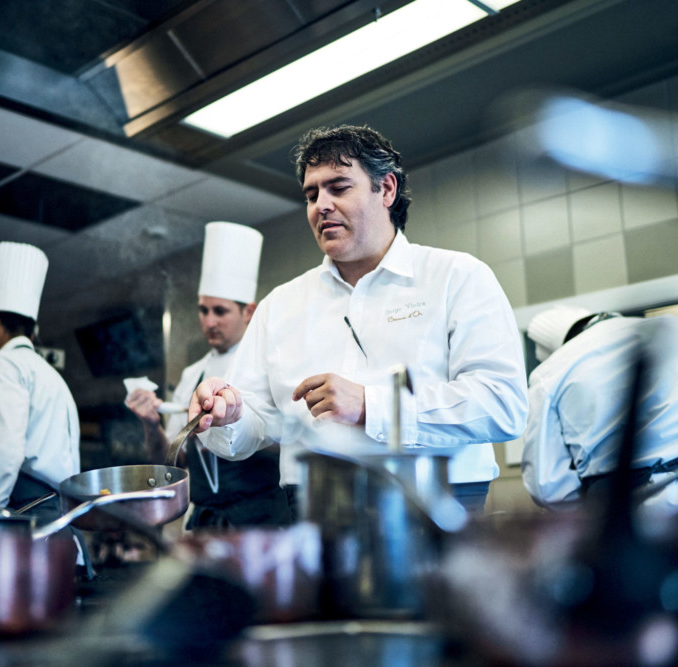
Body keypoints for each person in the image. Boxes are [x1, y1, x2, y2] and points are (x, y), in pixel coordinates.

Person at [187, 124, 529, 515]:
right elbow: (254, 424)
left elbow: (502, 404)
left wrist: (371, 405)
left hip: (439, 500)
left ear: (386, 190)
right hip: (315, 506)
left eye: (339, 187)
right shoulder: (279, 304)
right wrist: (228, 414)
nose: (321, 205)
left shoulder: (456, 276)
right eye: (311, 194)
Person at [125, 222, 292, 529]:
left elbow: (295, 440)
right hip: (205, 523)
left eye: (220, 311)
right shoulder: (192, 376)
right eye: (203, 310)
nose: (209, 321)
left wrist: (225, 431)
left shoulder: (270, 368)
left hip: (263, 522)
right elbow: (174, 463)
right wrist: (150, 424)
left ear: (248, 312)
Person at [521, 304, 678, 513]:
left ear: (557, 347)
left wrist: (598, 504)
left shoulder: (550, 373)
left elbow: (548, 488)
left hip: (624, 510)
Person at [0, 241, 81, 516]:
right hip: (59, 522)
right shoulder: (52, 376)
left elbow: (2, 453)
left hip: (27, 521)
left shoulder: (1, 363)